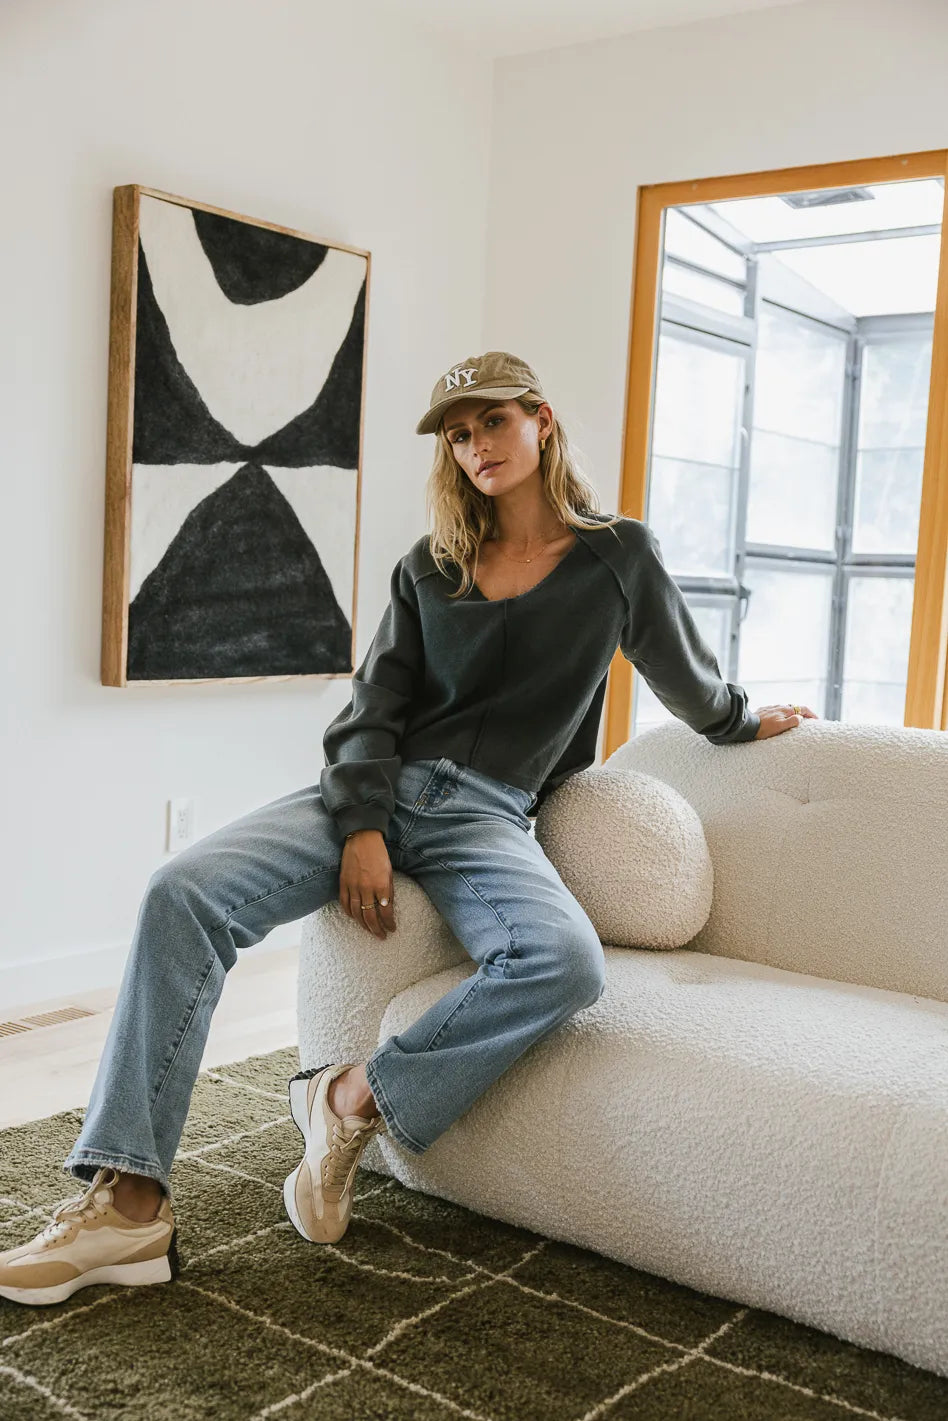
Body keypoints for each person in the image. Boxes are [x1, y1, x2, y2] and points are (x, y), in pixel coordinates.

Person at [0, 350, 816, 1307]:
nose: (476, 447)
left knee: (564, 961)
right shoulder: (430, 567)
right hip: (377, 790)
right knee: (180, 891)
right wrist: (361, 826)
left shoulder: (617, 558)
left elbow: (689, 679)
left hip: (487, 816)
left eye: (493, 422)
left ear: (542, 420)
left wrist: (743, 720)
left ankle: (350, 1097)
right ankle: (128, 1204)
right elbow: (370, 712)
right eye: (459, 435)